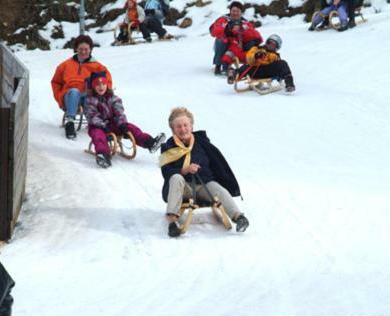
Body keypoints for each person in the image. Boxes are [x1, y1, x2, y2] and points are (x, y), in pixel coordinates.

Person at [160, 107, 249, 237]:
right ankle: (172, 222)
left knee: (218, 189)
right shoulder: (168, 147)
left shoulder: (201, 143)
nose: (183, 129)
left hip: (203, 185)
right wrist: (184, 170)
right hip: (182, 188)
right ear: (173, 130)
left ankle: (238, 217)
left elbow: (215, 163)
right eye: (178, 126)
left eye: (185, 125)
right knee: (175, 178)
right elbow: (166, 172)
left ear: (191, 126)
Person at [84, 72, 166, 168]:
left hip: (113, 123)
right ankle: (103, 154)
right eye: (98, 85)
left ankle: (150, 143)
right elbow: (92, 116)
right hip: (97, 126)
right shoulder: (90, 100)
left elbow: (119, 113)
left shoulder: (114, 98)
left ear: (107, 85)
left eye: (103, 84)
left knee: (131, 128)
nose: (101, 87)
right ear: (93, 87)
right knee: (98, 136)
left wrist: (122, 124)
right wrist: (103, 126)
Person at [51, 34, 112, 139]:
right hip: (70, 97)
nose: (83, 52)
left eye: (86, 49)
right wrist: (59, 97)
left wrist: (102, 95)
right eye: (80, 49)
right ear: (76, 49)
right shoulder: (65, 65)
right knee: (74, 91)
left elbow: (107, 82)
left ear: (90, 49)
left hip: (88, 98)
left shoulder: (97, 66)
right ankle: (70, 123)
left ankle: (98, 126)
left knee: (89, 96)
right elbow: (56, 82)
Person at [209, 1, 262, 75]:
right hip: (225, 45)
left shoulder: (245, 23)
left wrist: (245, 33)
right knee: (220, 41)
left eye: (238, 11)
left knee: (252, 44)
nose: (235, 13)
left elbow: (253, 33)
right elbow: (215, 31)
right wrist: (227, 31)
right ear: (230, 11)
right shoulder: (223, 19)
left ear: (241, 12)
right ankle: (218, 65)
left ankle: (250, 67)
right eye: (233, 11)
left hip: (238, 46)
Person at [230, 34, 295, 92]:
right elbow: (248, 57)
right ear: (267, 42)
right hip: (255, 70)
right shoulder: (257, 48)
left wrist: (268, 57)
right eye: (270, 43)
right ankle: (233, 74)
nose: (271, 46)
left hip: (268, 72)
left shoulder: (275, 55)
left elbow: (278, 67)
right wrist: (256, 55)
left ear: (277, 47)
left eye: (273, 45)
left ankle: (289, 83)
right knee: (247, 65)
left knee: (283, 63)